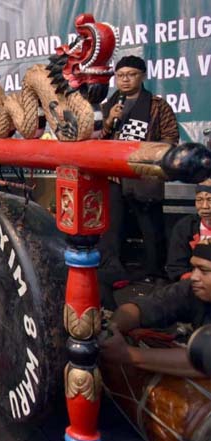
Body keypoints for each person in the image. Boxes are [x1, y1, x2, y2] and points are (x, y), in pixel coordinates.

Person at [101, 55, 179, 285]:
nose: (125, 80)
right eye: (120, 75)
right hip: (114, 174)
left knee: (150, 226)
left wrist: (147, 155)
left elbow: (170, 138)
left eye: (131, 74)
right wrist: (109, 122)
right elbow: (99, 141)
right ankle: (113, 272)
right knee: (111, 226)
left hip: (143, 175)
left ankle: (155, 273)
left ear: (142, 76)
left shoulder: (157, 105)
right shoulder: (109, 105)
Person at [100, 240, 211, 378]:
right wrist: (111, 330)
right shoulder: (190, 289)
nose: (194, 276)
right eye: (193, 268)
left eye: (204, 271)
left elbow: (203, 360)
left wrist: (128, 354)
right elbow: (144, 307)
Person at [165, 178, 211, 281]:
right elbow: (176, 267)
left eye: (209, 200)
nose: (204, 206)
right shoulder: (185, 227)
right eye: (199, 200)